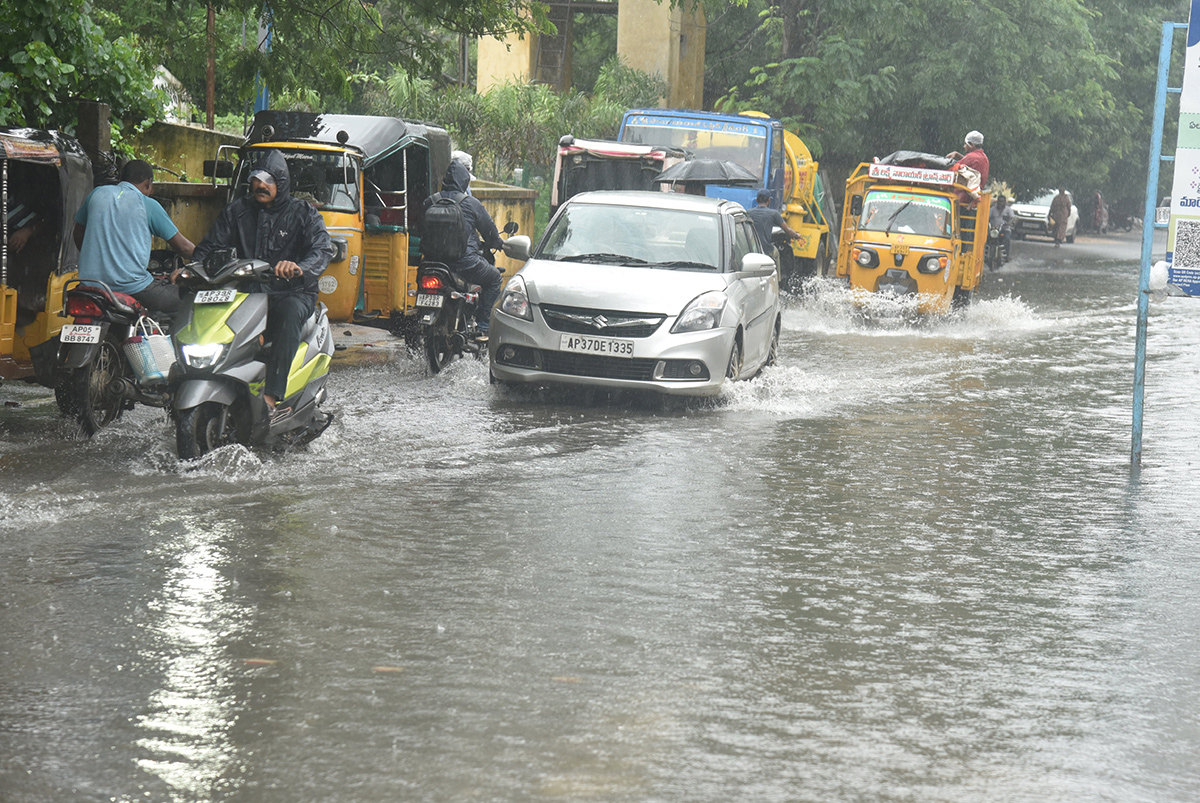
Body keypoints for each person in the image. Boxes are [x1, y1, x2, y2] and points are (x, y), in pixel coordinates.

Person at [193, 149, 334, 416]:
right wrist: (192, 268)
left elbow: (321, 250)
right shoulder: (237, 211)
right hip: (245, 292)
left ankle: (273, 395)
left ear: (281, 184)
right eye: (256, 178)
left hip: (290, 292)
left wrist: (298, 268)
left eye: (269, 180)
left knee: (289, 314)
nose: (260, 185)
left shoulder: (304, 213)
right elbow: (210, 246)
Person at [73, 159, 195, 317]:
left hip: (90, 285)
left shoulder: (96, 194)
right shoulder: (148, 204)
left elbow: (78, 233)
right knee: (188, 300)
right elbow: (184, 248)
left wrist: (97, 259)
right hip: (132, 287)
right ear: (148, 183)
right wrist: (205, 258)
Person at [423, 159, 504, 339]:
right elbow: (490, 233)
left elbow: (418, 228)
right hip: (464, 263)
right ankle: (483, 327)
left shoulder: (430, 201)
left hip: (431, 264)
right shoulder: (471, 203)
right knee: (495, 278)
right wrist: (498, 243)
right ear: (464, 181)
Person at [746, 189, 800, 253]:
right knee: (776, 253)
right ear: (769, 200)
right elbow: (787, 230)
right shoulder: (774, 213)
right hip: (766, 250)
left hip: (750, 249)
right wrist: (796, 235)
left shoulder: (748, 212)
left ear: (757, 200)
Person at [946, 130, 989, 204]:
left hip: (963, 198)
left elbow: (954, 168)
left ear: (971, 145)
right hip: (973, 197)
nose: (964, 146)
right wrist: (958, 155)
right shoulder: (984, 157)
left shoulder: (971, 157)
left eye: (966, 144)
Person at [989, 194, 1015, 258]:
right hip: (994, 229)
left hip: (1004, 229)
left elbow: (1012, 218)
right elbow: (987, 217)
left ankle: (1006, 255)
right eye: (999, 201)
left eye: (1002, 201)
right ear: (997, 201)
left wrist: (1009, 223)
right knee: (986, 238)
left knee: (1007, 238)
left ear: (1005, 202)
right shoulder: (992, 209)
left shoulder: (1008, 209)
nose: (1000, 203)